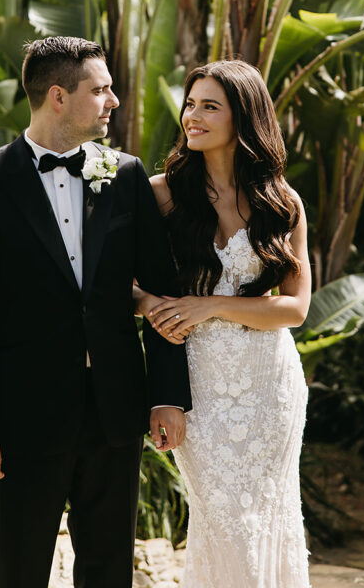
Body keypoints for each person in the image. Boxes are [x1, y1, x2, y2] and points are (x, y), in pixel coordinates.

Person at [0, 36, 191, 588]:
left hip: (115, 414)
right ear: (57, 96)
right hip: (22, 418)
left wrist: (168, 395)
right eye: (100, 90)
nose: (113, 100)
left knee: (108, 572)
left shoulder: (124, 176)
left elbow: (162, 291)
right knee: (21, 570)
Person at [134, 60, 312, 588]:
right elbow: (109, 281)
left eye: (210, 105)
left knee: (267, 519)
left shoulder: (282, 203)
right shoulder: (161, 194)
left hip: (271, 388)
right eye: (190, 104)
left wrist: (207, 305)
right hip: (200, 387)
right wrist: (151, 306)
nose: (193, 115)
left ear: (245, 116)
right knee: (224, 522)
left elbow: (295, 308)